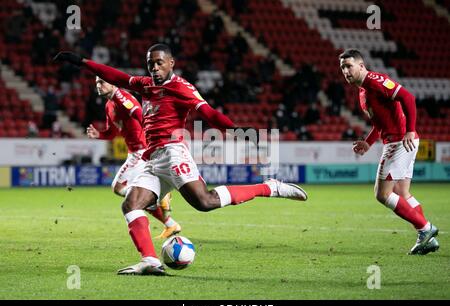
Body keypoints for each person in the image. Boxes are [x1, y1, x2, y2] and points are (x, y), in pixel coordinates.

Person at [54, 44, 308, 276]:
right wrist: (81, 61)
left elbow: (208, 113)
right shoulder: (144, 85)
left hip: (173, 153)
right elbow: (117, 76)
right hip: (152, 159)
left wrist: (237, 131)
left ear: (171, 63)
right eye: (151, 63)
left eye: (159, 62)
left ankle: (270, 187)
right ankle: (150, 260)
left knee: (205, 202)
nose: (154, 67)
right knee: (131, 205)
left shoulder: (181, 88)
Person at [339, 49, 439, 255]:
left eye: (349, 66)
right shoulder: (362, 92)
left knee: (382, 194)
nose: (346, 71)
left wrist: (410, 130)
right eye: (342, 68)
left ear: (361, 65)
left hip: (400, 142)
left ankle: (426, 229)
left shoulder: (376, 81)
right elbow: (380, 124)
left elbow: (408, 98)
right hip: (397, 141)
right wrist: (368, 143)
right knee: (402, 193)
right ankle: (428, 240)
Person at [87, 76, 181, 240]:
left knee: (118, 186)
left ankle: (159, 198)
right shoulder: (109, 104)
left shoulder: (122, 97)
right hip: (134, 152)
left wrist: (152, 142)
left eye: (102, 82)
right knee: (133, 192)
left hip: (141, 150)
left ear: (113, 82)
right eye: (96, 83)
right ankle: (170, 223)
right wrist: (99, 135)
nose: (98, 86)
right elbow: (112, 132)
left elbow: (140, 114)